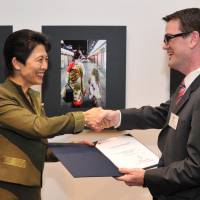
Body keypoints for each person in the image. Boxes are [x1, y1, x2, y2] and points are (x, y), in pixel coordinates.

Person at [98, 8, 200, 200]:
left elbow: (196, 167)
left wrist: (146, 177)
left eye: (169, 38)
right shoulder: (189, 84)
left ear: (193, 38)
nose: (164, 46)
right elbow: (163, 114)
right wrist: (116, 117)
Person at [0, 29, 103, 200]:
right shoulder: (2, 96)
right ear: (17, 63)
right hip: (8, 187)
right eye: (40, 60)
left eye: (46, 59)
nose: (45, 66)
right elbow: (39, 127)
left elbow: (41, 146)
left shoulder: (33, 96)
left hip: (31, 186)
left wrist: (75, 149)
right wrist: (83, 118)